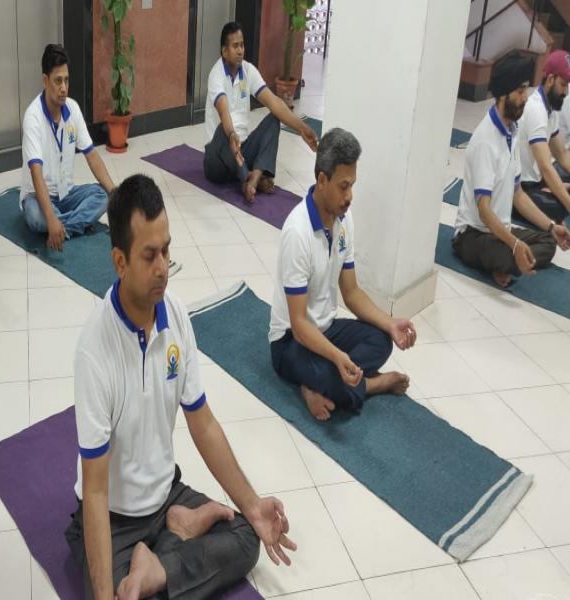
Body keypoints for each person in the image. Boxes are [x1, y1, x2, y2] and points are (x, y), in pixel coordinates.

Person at [66, 174, 295, 599]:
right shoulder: (95, 351)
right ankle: (174, 544)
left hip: (167, 495)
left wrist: (252, 505)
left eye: (167, 250)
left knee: (248, 535)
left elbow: (202, 423)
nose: (163, 268)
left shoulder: (176, 316)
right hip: (115, 518)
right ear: (120, 262)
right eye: (149, 255)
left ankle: (161, 562)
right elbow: (95, 489)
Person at [269, 128, 416, 422]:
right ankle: (371, 384)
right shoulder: (297, 233)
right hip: (290, 341)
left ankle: (322, 382)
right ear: (322, 180)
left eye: (352, 186)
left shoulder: (344, 219)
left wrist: (390, 324)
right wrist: (338, 357)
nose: (349, 196)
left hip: (326, 329)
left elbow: (351, 293)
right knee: (331, 370)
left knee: (381, 340)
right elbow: (299, 324)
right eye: (343, 186)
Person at [453, 54, 570, 288]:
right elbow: (484, 211)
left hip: (499, 231)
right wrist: (514, 244)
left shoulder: (512, 130)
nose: (525, 97)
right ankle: (505, 261)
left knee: (548, 242)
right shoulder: (486, 140)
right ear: (503, 94)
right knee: (512, 253)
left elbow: (518, 194)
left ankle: (506, 262)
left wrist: (551, 226)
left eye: (525, 90)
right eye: (519, 91)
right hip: (473, 235)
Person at [203, 21, 318, 203]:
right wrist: (232, 135)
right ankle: (247, 178)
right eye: (235, 46)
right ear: (224, 51)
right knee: (223, 131)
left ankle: (253, 179)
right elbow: (224, 113)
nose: (240, 50)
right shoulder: (216, 75)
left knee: (274, 119)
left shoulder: (248, 70)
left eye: (242, 45)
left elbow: (274, 102)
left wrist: (302, 128)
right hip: (218, 159)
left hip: (242, 151)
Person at [20, 44, 115, 251]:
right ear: (45, 81)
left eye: (66, 80)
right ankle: (67, 223)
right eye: (58, 81)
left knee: (103, 196)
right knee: (35, 217)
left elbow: (92, 155)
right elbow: (36, 174)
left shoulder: (73, 109)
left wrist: (115, 193)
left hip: (67, 193)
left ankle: (61, 229)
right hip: (38, 197)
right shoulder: (32, 117)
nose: (64, 88)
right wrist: (50, 217)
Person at [517, 50, 570, 224]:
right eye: (563, 84)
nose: (566, 91)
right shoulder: (536, 110)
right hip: (520, 189)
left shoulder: (550, 109)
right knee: (560, 207)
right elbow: (545, 167)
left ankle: (549, 190)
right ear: (550, 80)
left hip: (536, 181)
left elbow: (562, 155)